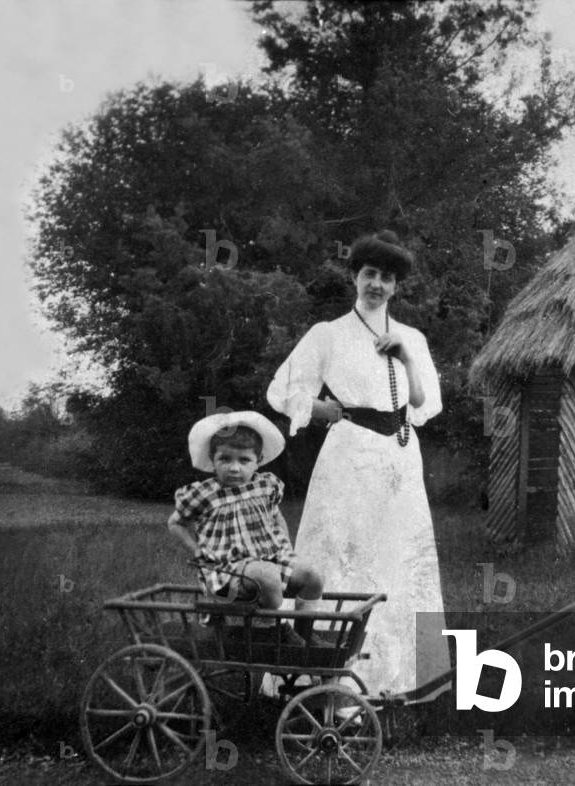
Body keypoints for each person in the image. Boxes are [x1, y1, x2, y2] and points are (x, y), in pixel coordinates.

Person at [267, 230, 449, 700]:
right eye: (370, 273)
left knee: (396, 556)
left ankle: (398, 679)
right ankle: (321, 679)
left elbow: (423, 403)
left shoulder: (412, 337)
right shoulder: (327, 335)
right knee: (343, 554)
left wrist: (406, 358)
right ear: (355, 277)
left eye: (388, 278)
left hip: (399, 456)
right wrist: (321, 409)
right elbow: (284, 389)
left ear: (396, 286)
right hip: (349, 454)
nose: (378, 285)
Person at [167, 410, 324, 646]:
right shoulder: (204, 493)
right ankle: (276, 629)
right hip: (227, 570)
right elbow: (175, 523)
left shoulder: (265, 485)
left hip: (268, 559)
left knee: (313, 576)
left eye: (244, 460)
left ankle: (305, 633)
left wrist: (286, 549)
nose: (234, 468)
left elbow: (276, 516)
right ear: (213, 459)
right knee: (268, 576)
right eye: (225, 459)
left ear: (258, 460)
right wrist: (197, 550)